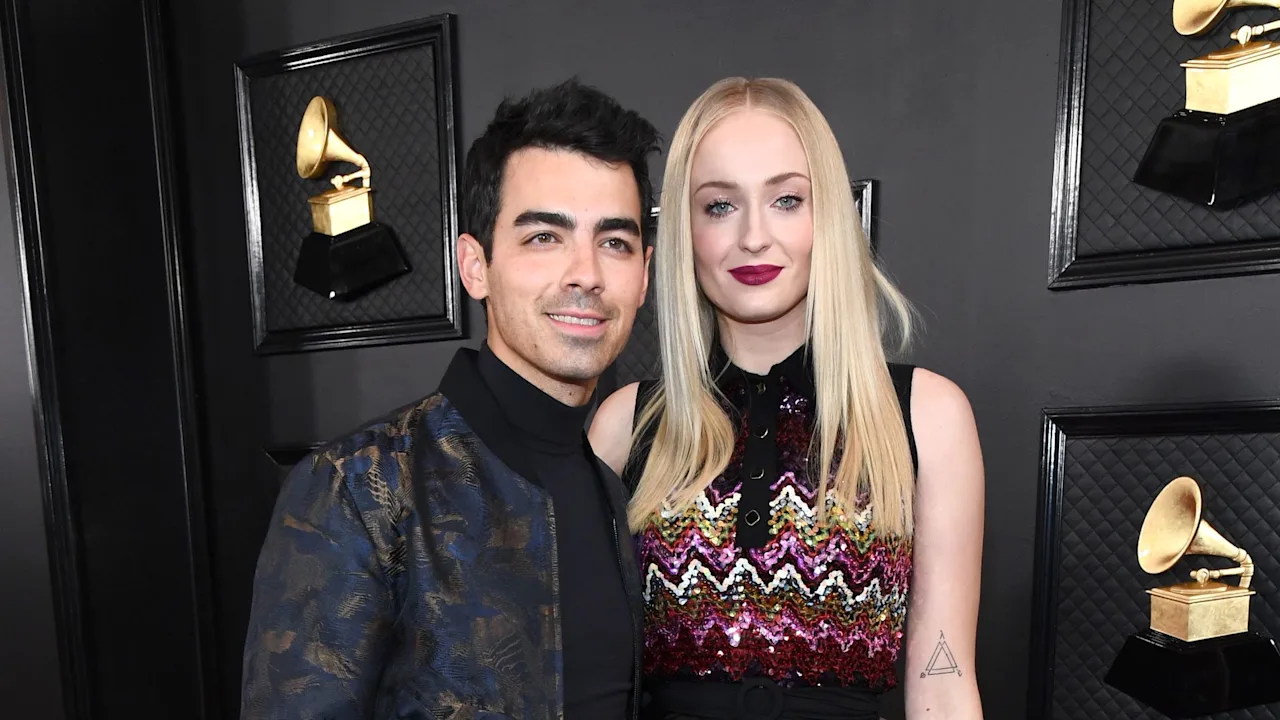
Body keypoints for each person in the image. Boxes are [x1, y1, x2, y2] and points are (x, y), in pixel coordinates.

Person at [241, 78, 660, 719]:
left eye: (614, 242)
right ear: (475, 265)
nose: (586, 273)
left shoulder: (612, 489)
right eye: (544, 237)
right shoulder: (357, 490)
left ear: (644, 276)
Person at [590, 77, 986, 720]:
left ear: (827, 214)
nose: (753, 237)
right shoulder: (625, 425)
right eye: (719, 205)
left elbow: (943, 684)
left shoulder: (926, 415)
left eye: (787, 200)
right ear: (684, 229)